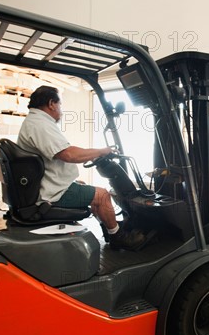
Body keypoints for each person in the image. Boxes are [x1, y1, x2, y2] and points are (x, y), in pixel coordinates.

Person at [17, 85, 144, 250]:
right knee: (102, 195)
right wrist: (100, 151)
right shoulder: (40, 125)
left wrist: (94, 154)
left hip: (48, 185)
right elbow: (69, 155)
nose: (60, 110)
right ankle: (118, 237)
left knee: (84, 185)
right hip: (52, 193)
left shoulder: (35, 121)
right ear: (51, 104)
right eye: (60, 105)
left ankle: (110, 228)